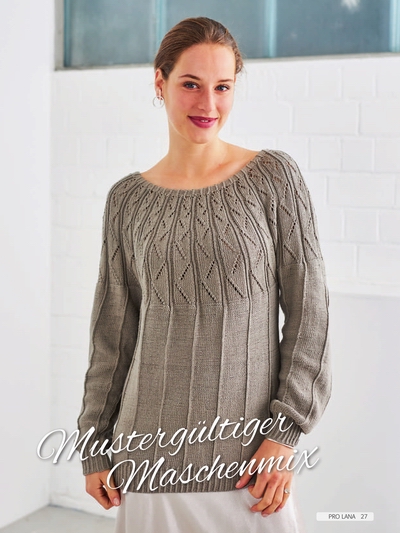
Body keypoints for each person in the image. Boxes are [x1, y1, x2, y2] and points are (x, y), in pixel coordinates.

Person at [77, 16, 331, 533]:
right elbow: (112, 338)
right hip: (147, 457)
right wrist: (93, 442)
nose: (208, 104)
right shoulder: (127, 200)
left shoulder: (273, 179)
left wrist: (285, 433)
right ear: (160, 82)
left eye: (222, 87)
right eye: (191, 84)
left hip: (250, 465)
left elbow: (311, 315)